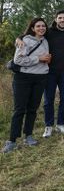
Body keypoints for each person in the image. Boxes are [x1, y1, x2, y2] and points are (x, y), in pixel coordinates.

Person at [2, 18, 50, 153]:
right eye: (38, 26)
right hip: (23, 78)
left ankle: (28, 136)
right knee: (19, 109)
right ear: (33, 28)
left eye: (43, 26)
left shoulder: (45, 41)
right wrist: (38, 59)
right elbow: (18, 60)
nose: (41, 28)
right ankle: (11, 141)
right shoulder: (25, 41)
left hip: (40, 78)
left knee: (33, 109)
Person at [43, 10, 64, 137]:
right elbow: (33, 34)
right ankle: (48, 126)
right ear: (56, 19)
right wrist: (19, 38)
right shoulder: (48, 32)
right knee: (48, 100)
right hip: (49, 72)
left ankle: (60, 124)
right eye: (60, 18)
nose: (62, 20)